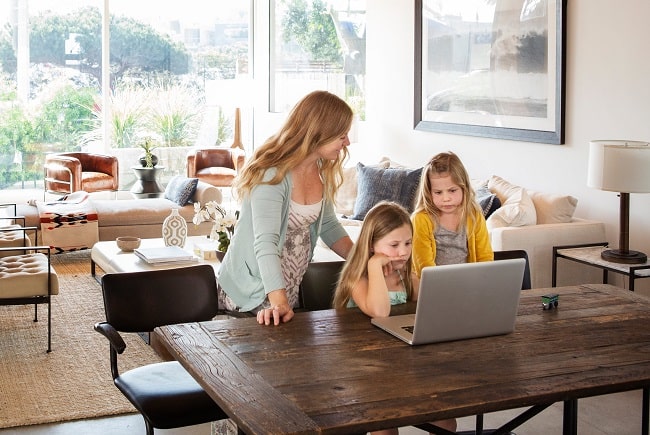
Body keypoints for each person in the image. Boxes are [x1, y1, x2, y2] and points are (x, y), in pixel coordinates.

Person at [217, 90, 354, 326]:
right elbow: (266, 242)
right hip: (252, 291)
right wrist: (278, 302)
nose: (347, 142)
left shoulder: (322, 169)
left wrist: (365, 259)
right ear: (319, 132)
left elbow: (329, 225)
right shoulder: (272, 173)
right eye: (342, 135)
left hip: (286, 288)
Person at [332, 201, 457, 435]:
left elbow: (435, 301)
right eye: (394, 244)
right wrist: (374, 267)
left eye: (408, 243)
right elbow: (380, 311)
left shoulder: (406, 275)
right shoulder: (356, 278)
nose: (403, 251)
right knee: (385, 428)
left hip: (405, 363)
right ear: (371, 245)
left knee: (446, 422)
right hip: (367, 368)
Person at [411, 151, 493, 278]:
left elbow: (485, 257)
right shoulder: (421, 219)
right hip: (433, 285)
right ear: (428, 192)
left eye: (452, 190)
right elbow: (424, 266)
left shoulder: (473, 215)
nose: (446, 198)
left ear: (463, 188)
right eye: (438, 192)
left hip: (469, 284)